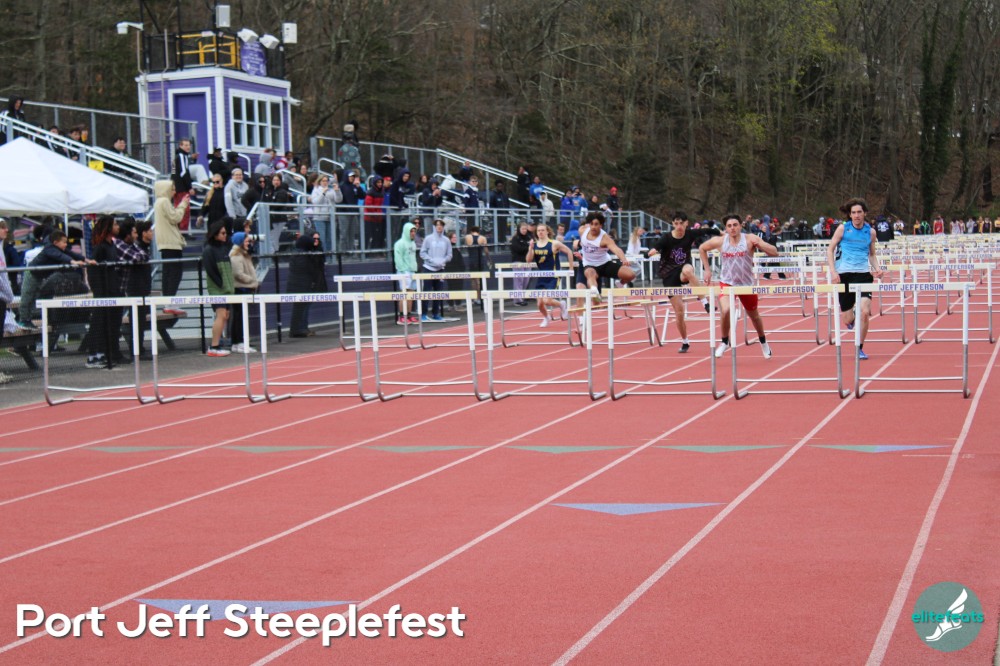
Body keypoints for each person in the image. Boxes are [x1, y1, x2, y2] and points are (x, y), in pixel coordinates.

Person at [699, 213, 779, 359]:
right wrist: (707, 270)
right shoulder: (720, 241)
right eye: (729, 226)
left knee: (754, 316)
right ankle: (724, 341)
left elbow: (775, 252)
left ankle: (763, 341)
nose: (732, 228)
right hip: (727, 282)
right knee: (726, 310)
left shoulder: (750, 239)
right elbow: (702, 248)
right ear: (726, 228)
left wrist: (760, 245)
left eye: (735, 225)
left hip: (746, 284)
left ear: (741, 226)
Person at [647, 212, 718, 352]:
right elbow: (657, 246)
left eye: (681, 223)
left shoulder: (690, 234)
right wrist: (651, 252)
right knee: (679, 312)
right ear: (673, 224)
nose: (679, 226)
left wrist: (722, 233)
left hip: (683, 268)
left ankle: (705, 303)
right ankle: (685, 341)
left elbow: (707, 231)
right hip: (669, 275)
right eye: (676, 223)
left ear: (686, 223)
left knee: (688, 271)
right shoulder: (666, 237)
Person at [826, 198, 883, 360]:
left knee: (865, 312)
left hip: (863, 275)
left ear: (865, 213)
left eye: (859, 212)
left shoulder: (871, 232)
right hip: (844, 275)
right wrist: (833, 272)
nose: (856, 215)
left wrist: (877, 268)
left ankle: (859, 347)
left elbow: (872, 254)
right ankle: (851, 318)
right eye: (853, 213)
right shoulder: (843, 229)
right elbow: (830, 250)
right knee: (848, 319)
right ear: (850, 215)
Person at [85, 216, 127, 368]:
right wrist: (99, 290)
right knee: (100, 322)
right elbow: (93, 269)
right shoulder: (100, 247)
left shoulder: (112, 245)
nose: (118, 227)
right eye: (115, 224)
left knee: (113, 323)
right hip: (103, 292)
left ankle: (110, 353)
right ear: (108, 227)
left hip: (113, 289)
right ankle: (94, 355)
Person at [579, 211, 635, 303]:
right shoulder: (582, 230)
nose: (593, 227)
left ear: (601, 225)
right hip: (590, 265)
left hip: (605, 264)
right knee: (590, 273)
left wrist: (624, 259)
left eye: (596, 224)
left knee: (631, 274)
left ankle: (620, 283)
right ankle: (594, 292)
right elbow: (580, 241)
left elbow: (616, 249)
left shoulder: (605, 238)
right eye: (591, 224)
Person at [153, 180, 190, 315]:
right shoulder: (164, 201)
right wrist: (183, 204)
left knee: (168, 273)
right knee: (174, 273)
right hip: (171, 243)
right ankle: (170, 302)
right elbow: (176, 217)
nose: (174, 192)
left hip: (166, 243)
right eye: (172, 189)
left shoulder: (159, 202)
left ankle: (168, 301)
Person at [527, 223, 574, 327]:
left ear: (547, 231)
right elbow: (528, 260)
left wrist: (571, 268)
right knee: (539, 304)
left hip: (554, 276)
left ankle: (562, 305)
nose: (540, 232)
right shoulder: (534, 245)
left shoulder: (554, 243)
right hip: (542, 276)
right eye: (538, 230)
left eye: (542, 230)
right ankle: (546, 317)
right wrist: (530, 248)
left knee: (547, 300)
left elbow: (569, 251)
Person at [200, 220, 234, 356]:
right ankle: (214, 346)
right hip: (217, 289)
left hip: (227, 289)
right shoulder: (209, 250)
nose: (225, 235)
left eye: (226, 233)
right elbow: (210, 269)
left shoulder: (224, 249)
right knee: (221, 315)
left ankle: (217, 344)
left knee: (225, 315)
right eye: (223, 233)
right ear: (215, 234)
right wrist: (221, 284)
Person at [286, 232, 328, 337]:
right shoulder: (301, 255)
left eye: (317, 239)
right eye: (314, 239)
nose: (315, 242)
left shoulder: (303, 253)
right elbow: (307, 268)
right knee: (300, 308)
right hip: (300, 285)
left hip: (302, 284)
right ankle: (298, 329)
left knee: (303, 307)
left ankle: (301, 328)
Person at [229, 231, 258, 352]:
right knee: (239, 317)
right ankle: (239, 342)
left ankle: (238, 342)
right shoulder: (236, 256)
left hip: (243, 288)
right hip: (240, 289)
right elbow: (238, 273)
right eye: (246, 241)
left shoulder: (243, 254)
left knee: (240, 316)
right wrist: (251, 280)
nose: (248, 243)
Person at [419, 219, 452, 322]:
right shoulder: (428, 239)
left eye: (441, 225)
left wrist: (443, 261)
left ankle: (436, 314)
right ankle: (423, 314)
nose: (439, 227)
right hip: (428, 269)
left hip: (440, 269)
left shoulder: (446, 240)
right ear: (434, 226)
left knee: (438, 293)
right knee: (426, 292)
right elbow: (422, 253)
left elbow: (449, 255)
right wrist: (431, 260)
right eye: (437, 225)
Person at [393, 222, 420, 325]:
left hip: (412, 270)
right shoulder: (399, 244)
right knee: (404, 294)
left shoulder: (413, 243)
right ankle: (401, 316)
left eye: (414, 231)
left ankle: (408, 315)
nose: (413, 233)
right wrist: (403, 271)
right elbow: (398, 259)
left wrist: (414, 268)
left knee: (411, 294)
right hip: (404, 272)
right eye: (411, 231)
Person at [508, 223, 533, 305]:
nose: (524, 230)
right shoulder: (515, 238)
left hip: (527, 262)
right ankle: (518, 300)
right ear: (519, 229)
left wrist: (529, 248)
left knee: (526, 280)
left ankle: (522, 297)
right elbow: (518, 249)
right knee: (519, 280)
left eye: (525, 229)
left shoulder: (529, 237)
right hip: (518, 261)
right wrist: (528, 248)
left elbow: (533, 248)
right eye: (523, 229)